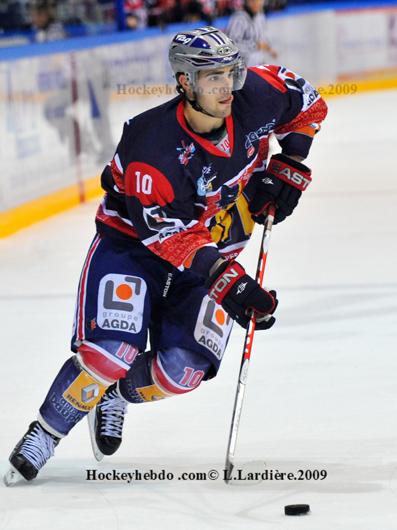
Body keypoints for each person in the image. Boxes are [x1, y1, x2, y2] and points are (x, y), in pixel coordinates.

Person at [4, 26, 327, 484]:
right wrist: (230, 283)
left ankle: (113, 395)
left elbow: (309, 102)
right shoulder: (150, 145)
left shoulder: (255, 94)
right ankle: (47, 433)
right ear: (184, 82)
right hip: (135, 249)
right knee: (111, 352)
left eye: (230, 72)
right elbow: (169, 240)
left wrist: (290, 163)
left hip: (211, 255)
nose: (226, 86)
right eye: (212, 76)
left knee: (183, 371)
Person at [226, 0, 277, 66]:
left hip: (258, 65)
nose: (257, 3)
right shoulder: (238, 19)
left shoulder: (260, 16)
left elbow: (262, 37)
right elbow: (231, 46)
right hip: (242, 68)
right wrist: (255, 46)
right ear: (247, 2)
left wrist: (269, 49)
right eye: (253, 1)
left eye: (259, 1)